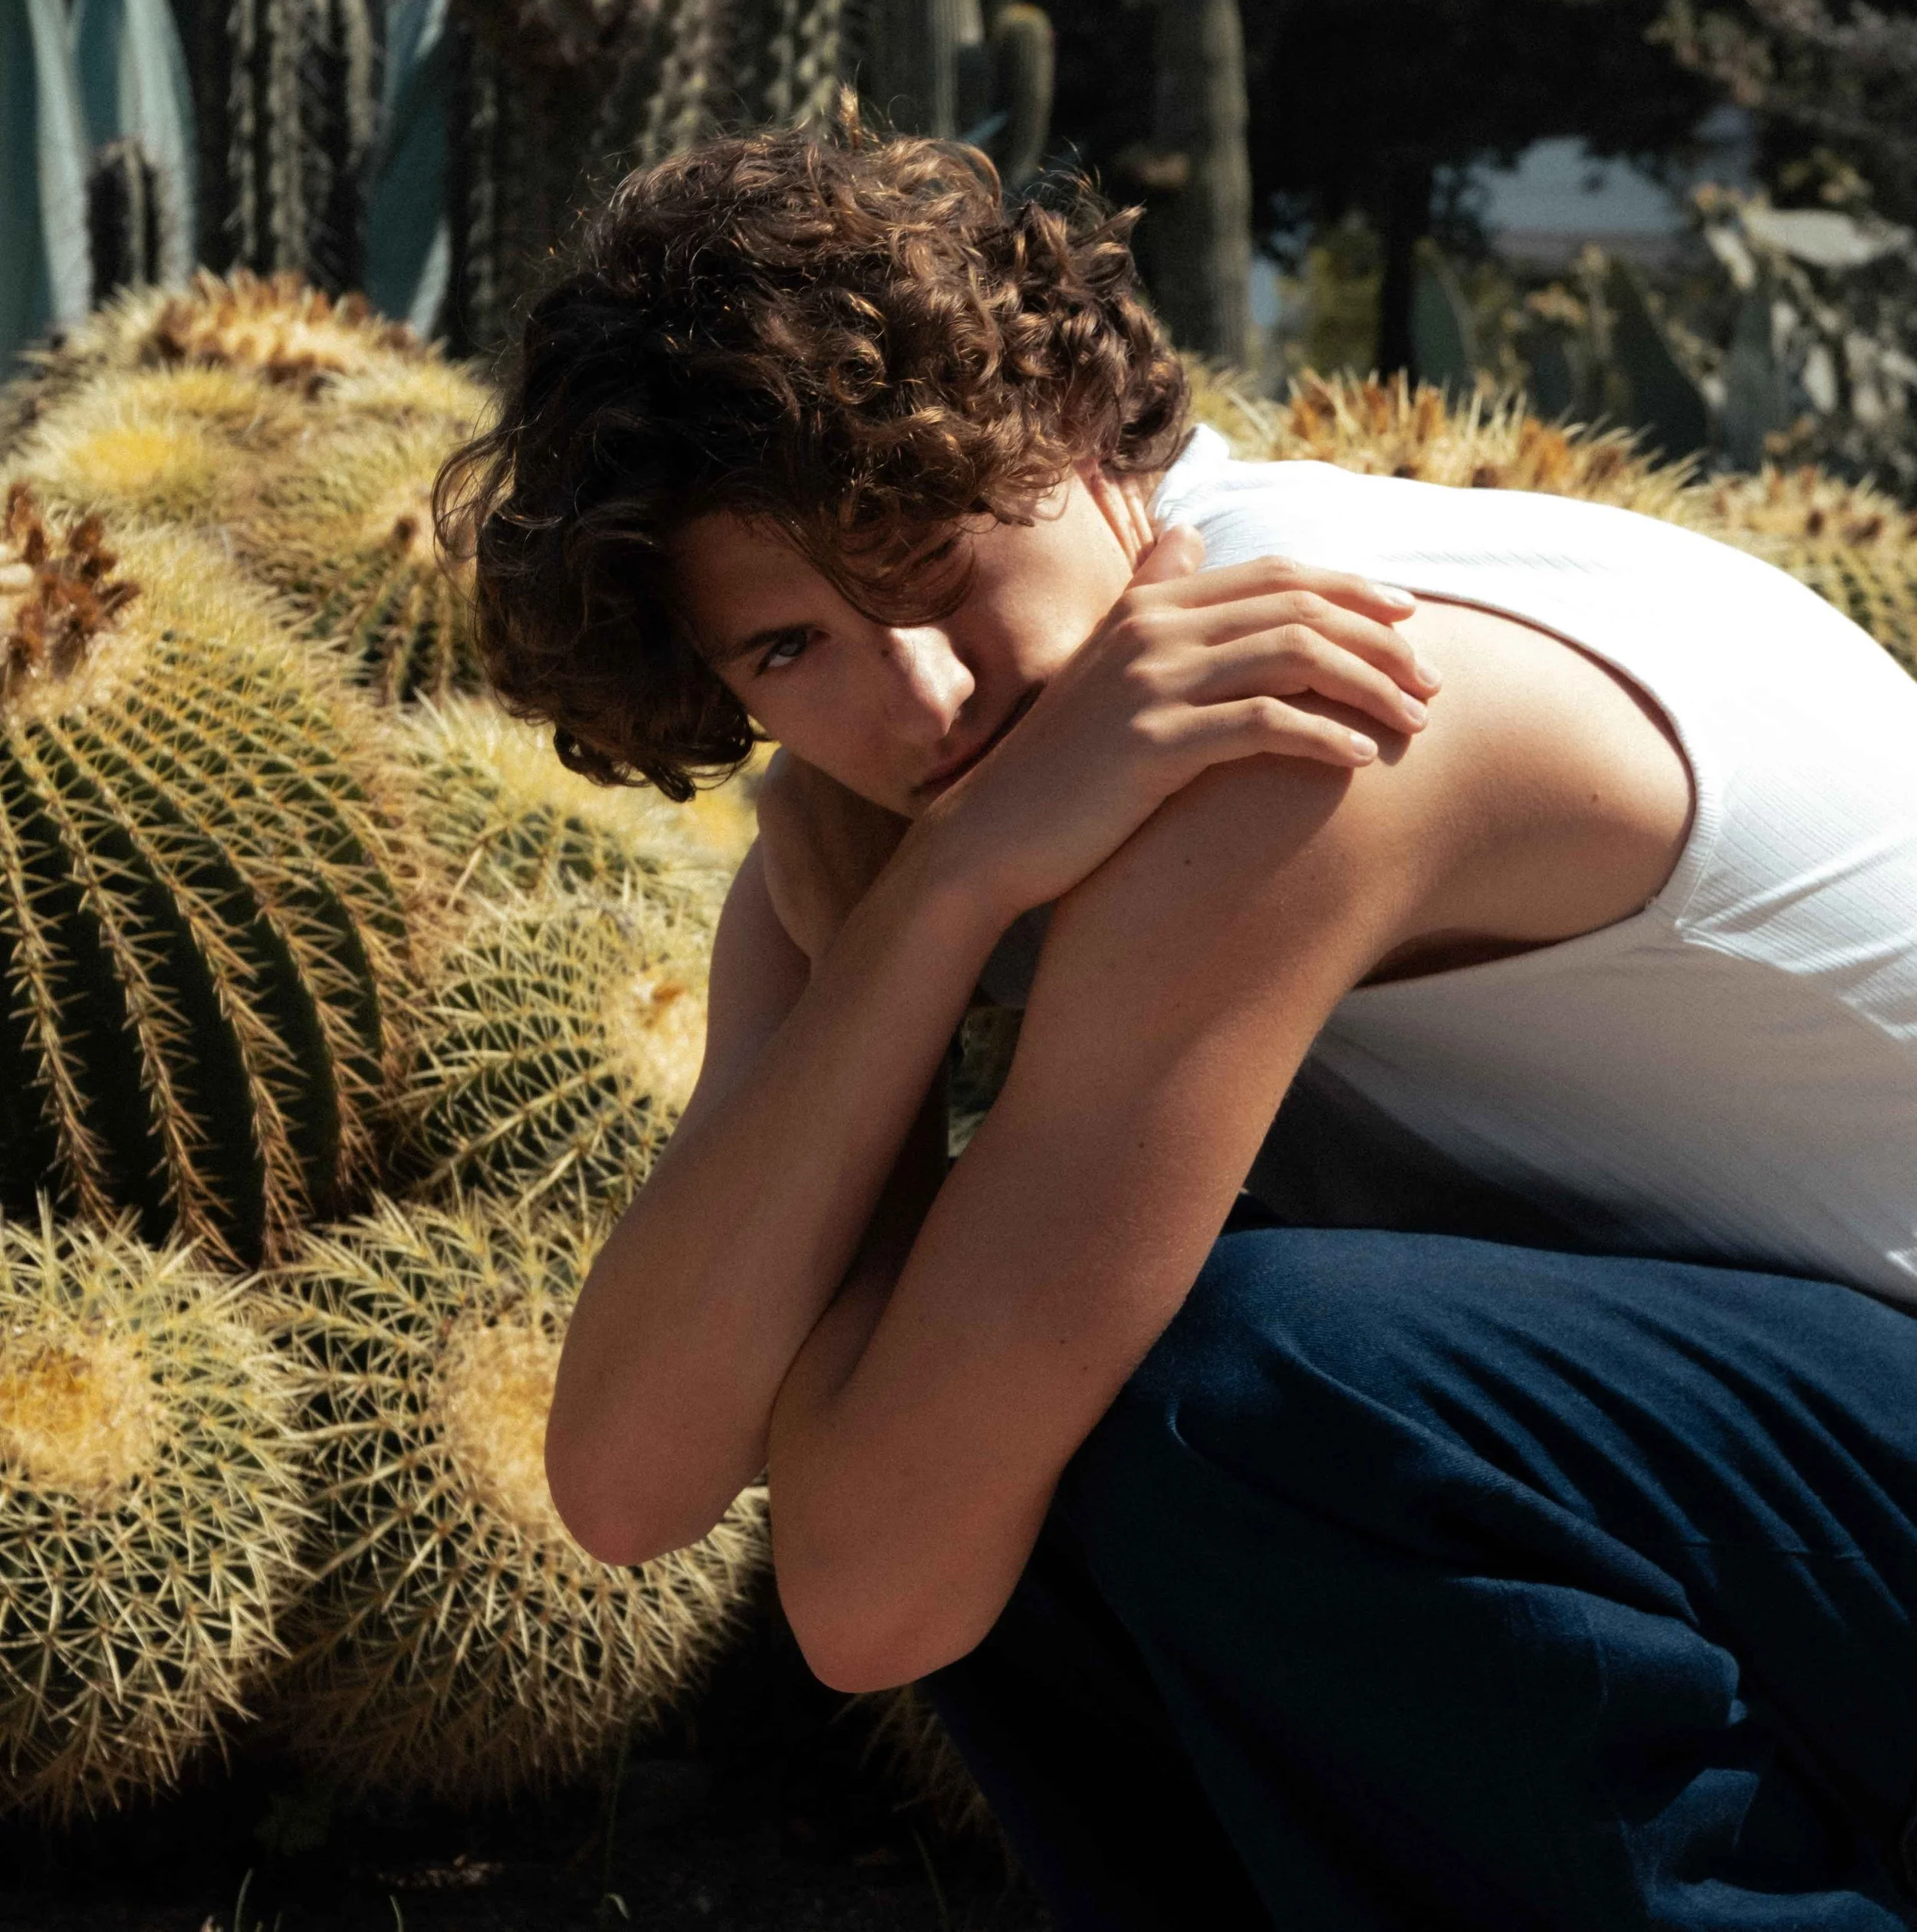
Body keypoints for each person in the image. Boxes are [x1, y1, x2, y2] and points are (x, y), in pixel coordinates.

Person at [439, 109, 1917, 1932]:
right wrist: (929, 916)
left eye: (928, 559)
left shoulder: (1304, 716)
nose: (922, 694)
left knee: (1222, 1387)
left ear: (1064, 430)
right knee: (1032, 1408)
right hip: (1811, 1468)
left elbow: (866, 1589)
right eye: (788, 650)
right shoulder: (950, 805)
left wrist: (931, 913)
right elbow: (628, 1476)